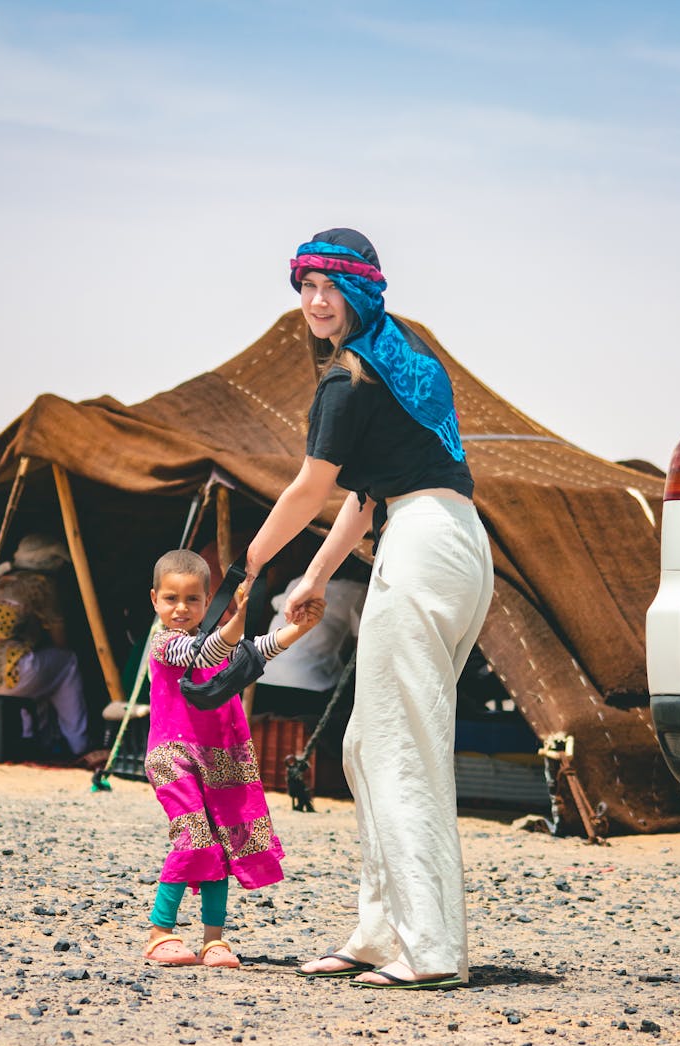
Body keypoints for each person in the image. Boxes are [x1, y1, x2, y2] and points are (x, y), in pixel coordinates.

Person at [244, 228, 494, 990]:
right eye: (306, 287)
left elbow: (309, 489)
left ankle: (430, 947)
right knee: (366, 742)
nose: (318, 302)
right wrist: (316, 573)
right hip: (453, 544)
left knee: (397, 745)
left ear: (363, 290)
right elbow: (368, 491)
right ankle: (383, 932)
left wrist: (249, 567)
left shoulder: (348, 378)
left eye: (332, 287)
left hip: (422, 546)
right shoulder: (401, 352)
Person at [143, 548, 324, 968]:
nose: (181, 608)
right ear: (155, 600)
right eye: (171, 599)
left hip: (218, 757)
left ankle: (213, 941)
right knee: (194, 837)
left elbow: (256, 651)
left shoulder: (218, 639)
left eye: (192, 599)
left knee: (223, 846)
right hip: (172, 755)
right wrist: (237, 621)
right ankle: (159, 932)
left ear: (208, 602)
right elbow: (202, 655)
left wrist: (298, 629)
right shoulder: (164, 642)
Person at [0, 532, 98, 766]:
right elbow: (59, 639)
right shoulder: (40, 584)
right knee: (66, 662)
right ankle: (79, 743)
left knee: (36, 665)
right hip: (4, 674)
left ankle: (31, 736)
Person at [253, 572, 366, 718]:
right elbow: (362, 649)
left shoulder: (298, 582)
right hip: (313, 690)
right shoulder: (360, 591)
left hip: (263, 683)